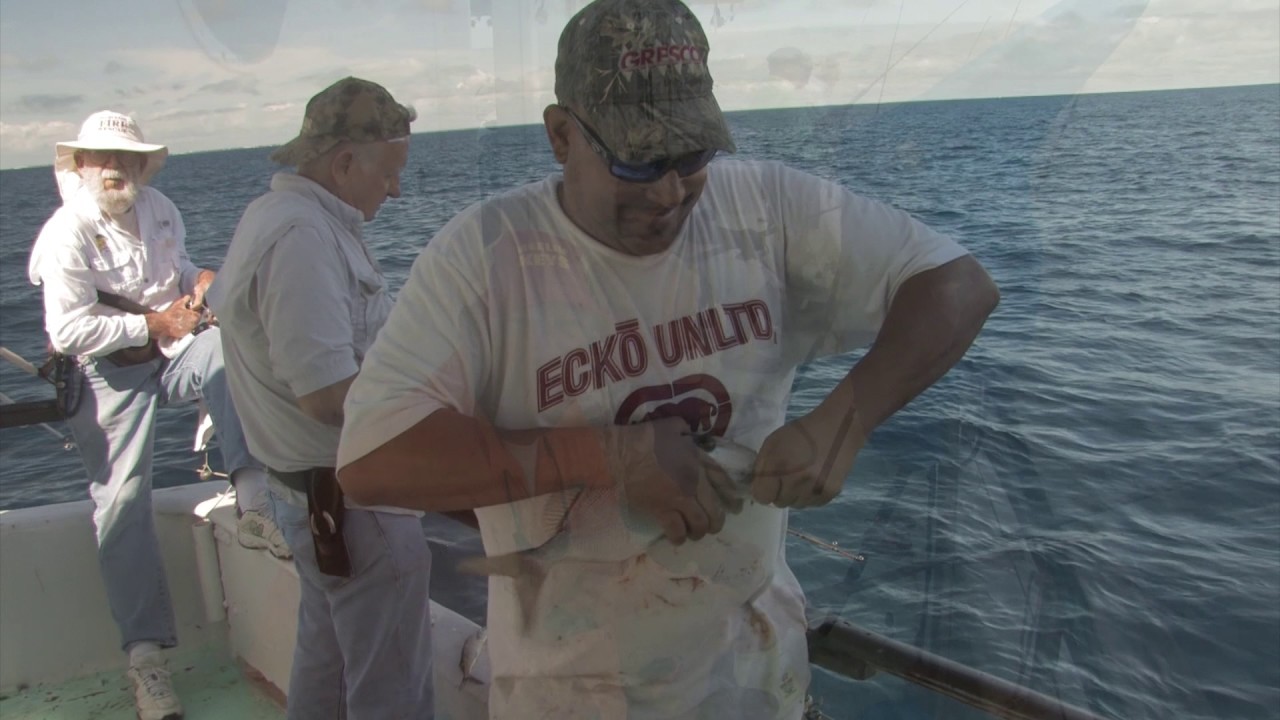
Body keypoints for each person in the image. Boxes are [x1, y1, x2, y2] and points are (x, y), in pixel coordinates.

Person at [335, 0, 1000, 717]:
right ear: (561, 135)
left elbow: (959, 286)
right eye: (636, 159)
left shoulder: (766, 208)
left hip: (761, 682)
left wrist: (843, 419)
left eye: (690, 156)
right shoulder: (484, 256)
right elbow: (371, 462)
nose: (668, 192)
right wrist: (611, 457)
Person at [27, 110, 288, 720]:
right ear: (81, 166)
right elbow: (65, 329)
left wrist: (202, 280)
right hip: (103, 371)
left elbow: (175, 272)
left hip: (168, 353)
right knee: (123, 502)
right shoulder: (65, 233)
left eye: (127, 158)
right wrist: (153, 322)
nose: (116, 167)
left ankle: (254, 505)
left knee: (230, 348)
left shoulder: (162, 208)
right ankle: (146, 662)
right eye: (101, 158)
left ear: (145, 165)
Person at [205, 76, 435, 719]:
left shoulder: (273, 216)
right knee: (392, 692)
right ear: (343, 163)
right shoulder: (302, 239)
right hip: (354, 501)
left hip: (308, 499)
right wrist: (441, 422)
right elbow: (328, 393)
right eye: (390, 173)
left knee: (327, 670)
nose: (395, 190)